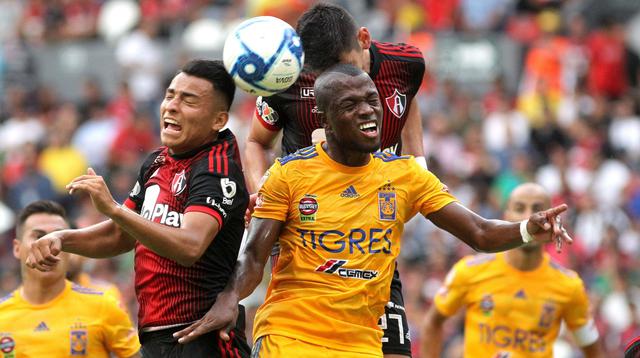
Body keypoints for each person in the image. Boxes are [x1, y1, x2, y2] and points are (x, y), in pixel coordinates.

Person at [173, 64, 572, 357]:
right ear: (325, 120)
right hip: (291, 335)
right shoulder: (290, 175)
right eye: (351, 105)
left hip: (362, 343)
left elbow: (480, 233)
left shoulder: (405, 177)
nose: (368, 111)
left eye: (372, 101)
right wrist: (231, 297)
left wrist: (526, 229)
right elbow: (254, 256)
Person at [26, 60, 251, 357]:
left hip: (203, 338)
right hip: (156, 340)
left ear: (218, 120)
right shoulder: (157, 161)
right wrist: (63, 239)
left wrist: (114, 209)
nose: (172, 106)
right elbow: (120, 236)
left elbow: (190, 245)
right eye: (170, 95)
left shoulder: (216, 168)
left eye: (189, 100)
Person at [244, 4, 427, 356]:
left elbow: (408, 97)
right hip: (306, 234)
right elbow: (255, 142)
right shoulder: (287, 79)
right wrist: (262, 192)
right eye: (323, 76)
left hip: (370, 233)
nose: (334, 85)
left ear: (364, 41)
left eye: (346, 69)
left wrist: (418, 158)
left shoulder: (407, 64)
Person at [421, 183, 602, 358]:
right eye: (519, 208)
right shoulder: (470, 271)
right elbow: (433, 323)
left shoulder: (569, 286)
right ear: (506, 216)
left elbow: (591, 348)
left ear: (552, 218)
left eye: (537, 209)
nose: (530, 216)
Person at [0, 200, 140, 357]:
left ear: (70, 248)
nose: (48, 247)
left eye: (58, 239)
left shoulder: (104, 305)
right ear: (17, 248)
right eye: (39, 236)